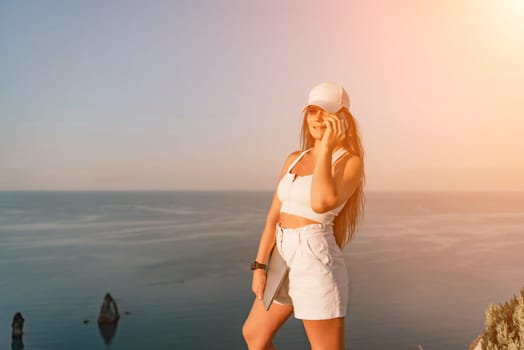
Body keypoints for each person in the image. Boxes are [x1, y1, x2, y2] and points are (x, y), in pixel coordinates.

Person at [242, 82, 365, 350]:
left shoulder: (349, 161)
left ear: (343, 118)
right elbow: (274, 216)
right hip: (282, 254)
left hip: (314, 257)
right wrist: (259, 266)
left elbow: (321, 203)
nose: (318, 118)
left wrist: (326, 148)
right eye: (312, 111)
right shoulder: (294, 158)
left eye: (326, 112)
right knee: (254, 334)